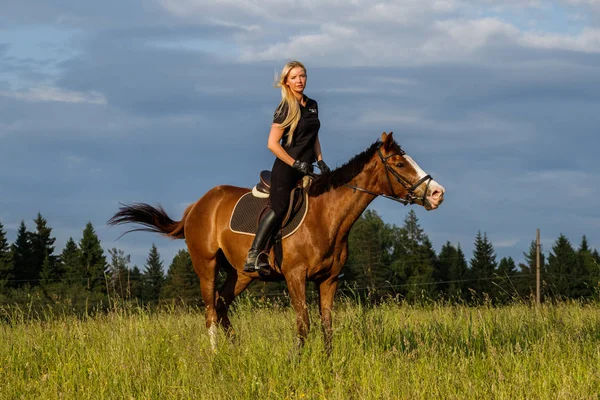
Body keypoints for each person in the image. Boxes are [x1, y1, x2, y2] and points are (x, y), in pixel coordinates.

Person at [244, 60, 330, 273]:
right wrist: (295, 163)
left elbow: (313, 136)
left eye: (302, 76)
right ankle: (254, 254)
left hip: (308, 166)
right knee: (280, 207)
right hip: (287, 167)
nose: (299, 80)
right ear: (286, 82)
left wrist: (320, 160)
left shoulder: (312, 104)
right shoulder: (284, 108)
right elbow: (271, 144)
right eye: (294, 77)